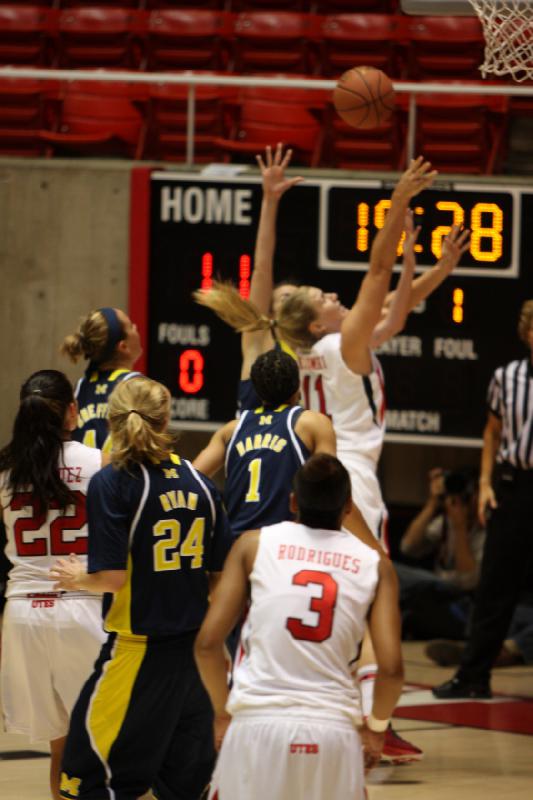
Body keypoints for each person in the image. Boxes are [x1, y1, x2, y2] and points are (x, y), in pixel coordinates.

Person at [194, 157, 470, 763]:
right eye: (326, 296)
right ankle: (374, 717)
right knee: (371, 593)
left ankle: (265, 707)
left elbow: (392, 304)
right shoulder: (339, 347)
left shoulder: (300, 350)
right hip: (345, 481)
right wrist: (396, 206)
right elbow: (380, 288)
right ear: (318, 320)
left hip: (277, 493)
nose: (336, 295)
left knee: (272, 611)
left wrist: (428, 267)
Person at [49, 376, 233, 800]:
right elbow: (220, 577)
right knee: (185, 785)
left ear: (112, 421)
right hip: (196, 657)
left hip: (137, 651)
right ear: (167, 419)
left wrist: (77, 577)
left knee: (84, 779)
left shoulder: (113, 482)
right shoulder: (202, 485)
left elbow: (113, 578)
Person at [194, 453, 404, 800]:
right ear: (349, 508)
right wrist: (377, 730)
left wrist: (221, 713)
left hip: (257, 723)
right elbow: (393, 669)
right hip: (333, 729)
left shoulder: (253, 545)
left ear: (293, 501)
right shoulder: (376, 565)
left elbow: (207, 645)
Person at [0, 369, 107, 800]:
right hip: (82, 605)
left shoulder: (5, 472)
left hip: (23, 615)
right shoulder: (99, 462)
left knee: (59, 749)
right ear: (70, 412)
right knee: (101, 745)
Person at [434, 299, 533, 699]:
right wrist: (487, 482)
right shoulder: (506, 377)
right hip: (514, 485)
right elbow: (492, 431)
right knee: (495, 587)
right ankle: (473, 677)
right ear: (527, 333)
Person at [193, 348, 337, 539]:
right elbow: (331, 486)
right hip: (286, 545)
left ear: (256, 390)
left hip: (238, 545)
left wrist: (217, 520)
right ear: (298, 386)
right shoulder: (313, 423)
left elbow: (192, 481)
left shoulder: (231, 430)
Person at [396, 467, 485, 640]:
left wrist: (459, 528)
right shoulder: (445, 521)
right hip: (437, 593)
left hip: (464, 600)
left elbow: (468, 581)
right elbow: (408, 547)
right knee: (388, 569)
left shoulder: (486, 527)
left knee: (417, 582)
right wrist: (432, 503)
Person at [61, 306, 142, 451]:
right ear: (123, 346)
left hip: (82, 474)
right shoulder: (137, 386)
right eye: (131, 326)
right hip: (120, 473)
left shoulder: (79, 387)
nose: (136, 328)